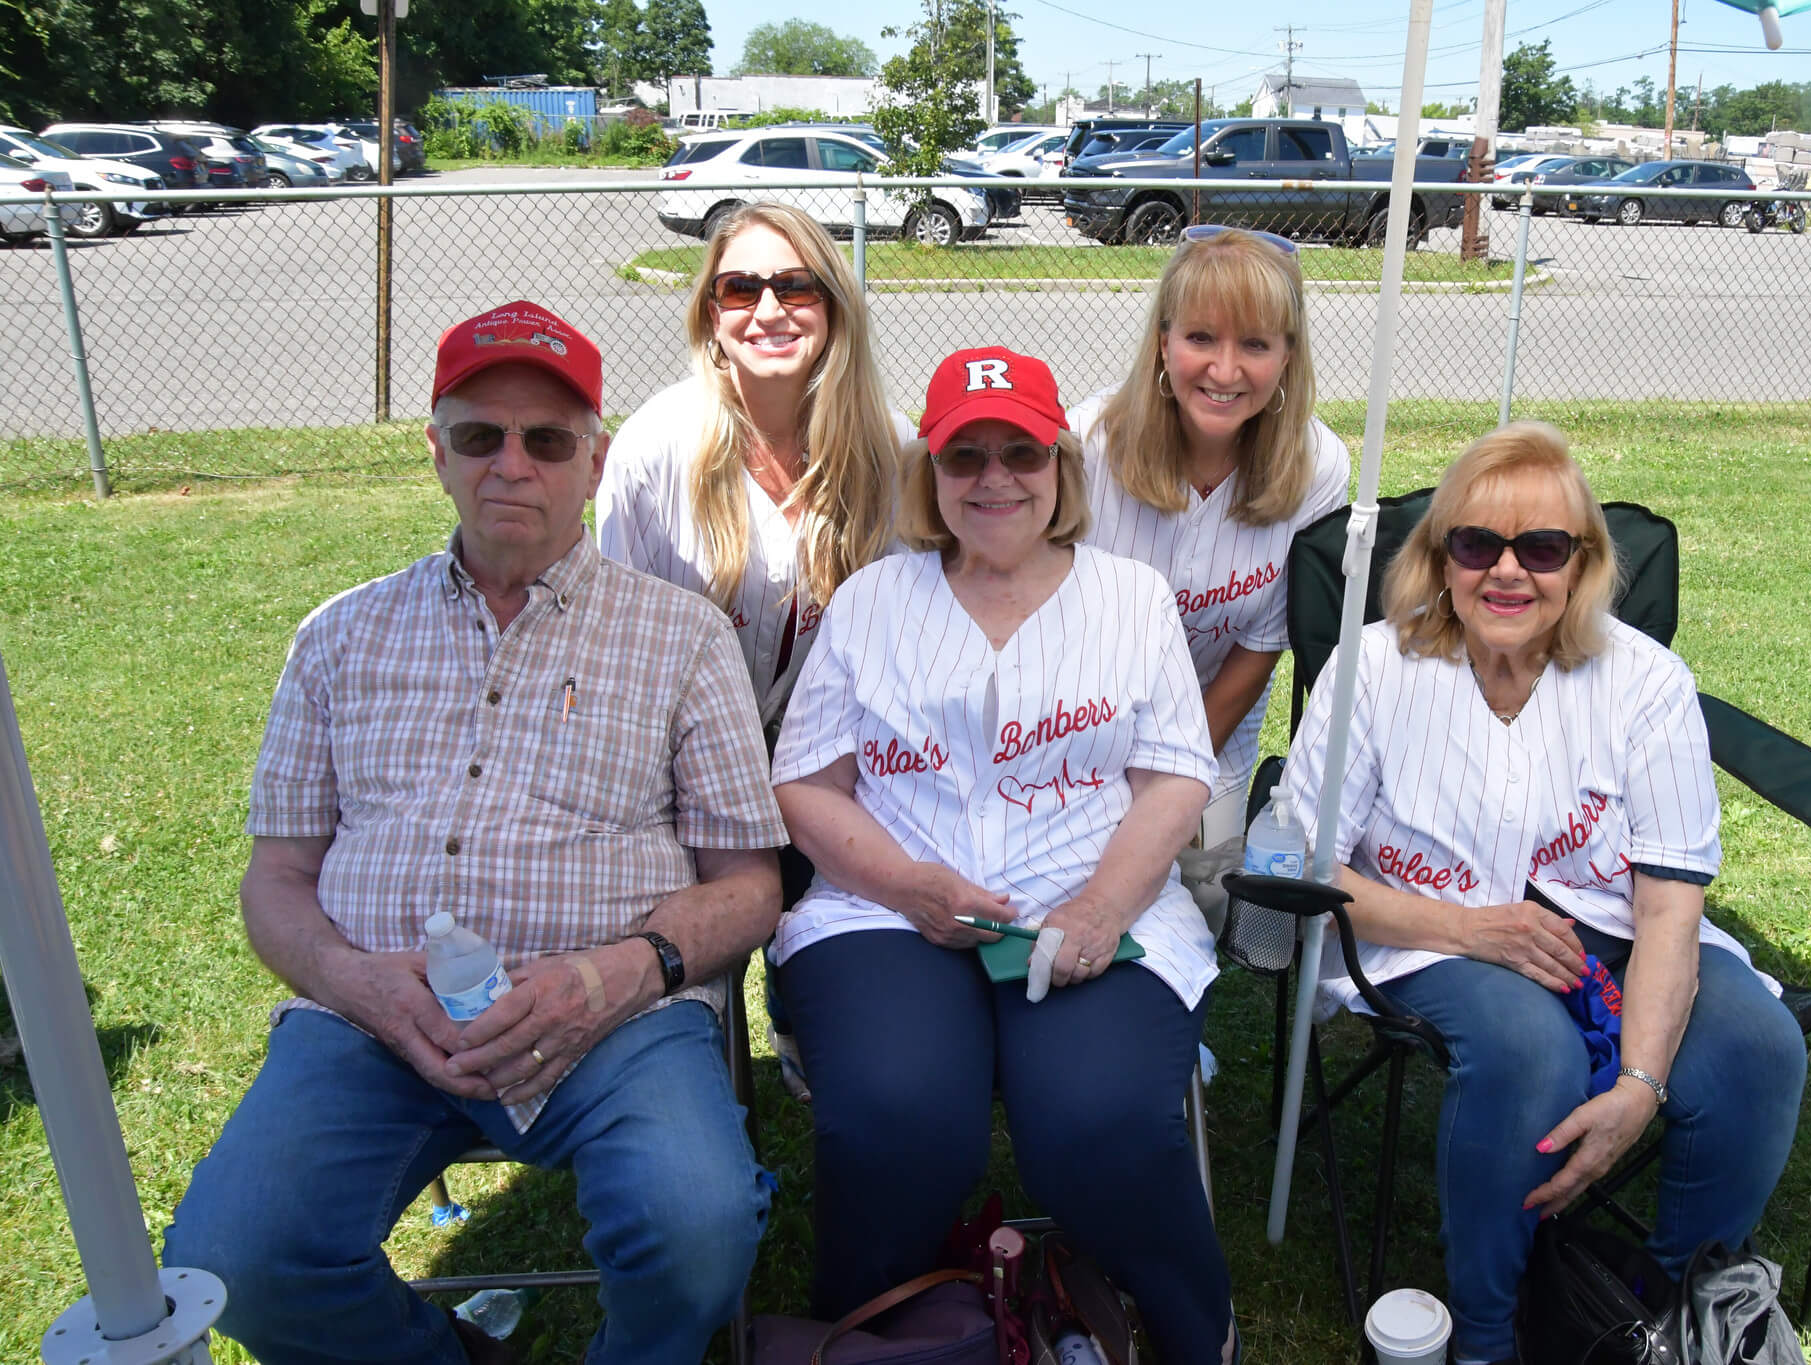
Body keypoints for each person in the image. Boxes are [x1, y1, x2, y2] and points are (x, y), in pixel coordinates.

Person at [164, 302, 787, 1365]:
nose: (512, 465)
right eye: (478, 436)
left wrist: (614, 975)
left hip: (611, 1022)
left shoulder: (681, 635)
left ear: (593, 464)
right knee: (234, 1261)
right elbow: (276, 878)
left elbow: (748, 883)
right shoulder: (338, 633)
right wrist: (355, 983)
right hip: (374, 1023)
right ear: (435, 452)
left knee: (700, 1229)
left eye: (546, 441)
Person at [1278, 422, 1808, 1365]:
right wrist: (1469, 928)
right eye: (1477, 545)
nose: (1508, 573)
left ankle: (1667, 1314)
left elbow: (1668, 907)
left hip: (1610, 931)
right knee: (1531, 1054)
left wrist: (1641, 1087)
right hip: (1425, 932)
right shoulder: (1376, 669)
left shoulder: (1645, 684)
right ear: (1440, 561)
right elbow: (1301, 864)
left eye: (1545, 547)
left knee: (1758, 1051)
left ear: (1585, 563)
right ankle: (1487, 1336)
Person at [770, 347, 1236, 1365]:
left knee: (1096, 1119)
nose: (991, 479)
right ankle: (877, 1336)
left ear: (1061, 468)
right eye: (963, 456)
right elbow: (804, 782)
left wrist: (1103, 906)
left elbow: (1173, 778)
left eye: (1019, 453)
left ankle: (1191, 1327)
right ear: (928, 476)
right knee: (896, 1113)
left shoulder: (1129, 598)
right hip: (888, 910)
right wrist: (910, 888)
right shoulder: (873, 601)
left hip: (1089, 896)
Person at [1070, 225, 1350, 844]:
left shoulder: (1319, 465)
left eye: (1254, 343)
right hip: (1079, 723)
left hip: (1212, 726)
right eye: (1200, 337)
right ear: (1163, 343)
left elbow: (1260, 646)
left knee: (1204, 893)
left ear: (1287, 356)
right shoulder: (1086, 444)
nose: (1225, 370)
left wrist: (1171, 777)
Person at [596, 200, 915, 731]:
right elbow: (617, 646)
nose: (768, 311)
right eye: (740, 289)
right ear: (711, 314)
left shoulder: (890, 449)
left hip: (837, 760)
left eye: (794, 286)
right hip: (678, 760)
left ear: (834, 306)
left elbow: (909, 638)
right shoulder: (654, 448)